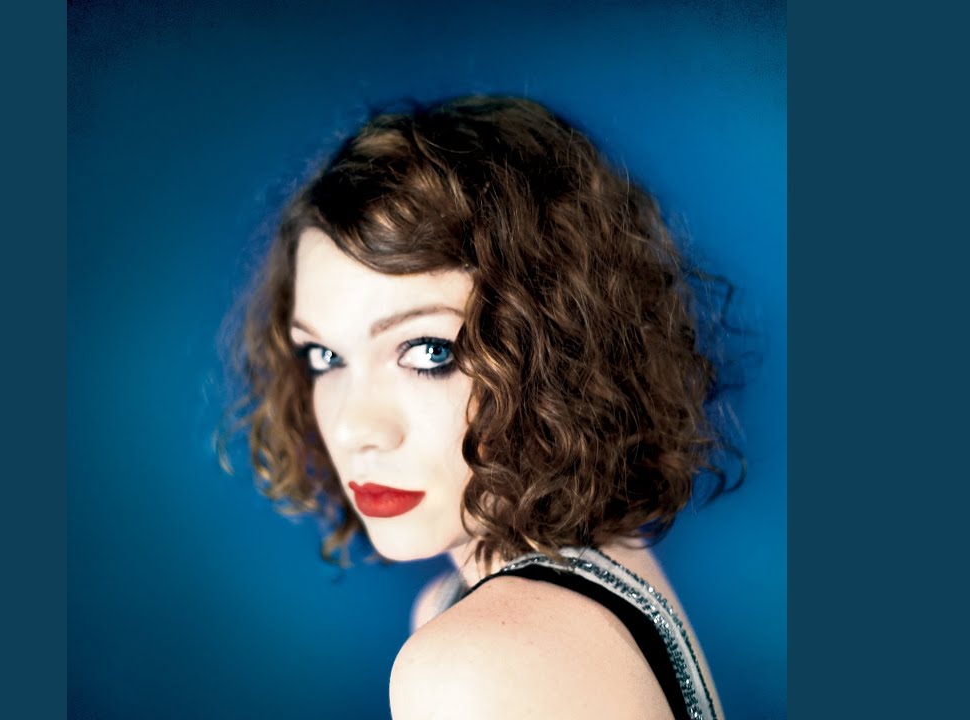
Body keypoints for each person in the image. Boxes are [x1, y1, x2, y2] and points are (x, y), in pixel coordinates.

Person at [224, 95, 739, 719]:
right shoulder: (595, 571)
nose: (356, 428)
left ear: (556, 354)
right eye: (325, 357)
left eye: (429, 351)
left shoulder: (479, 661)